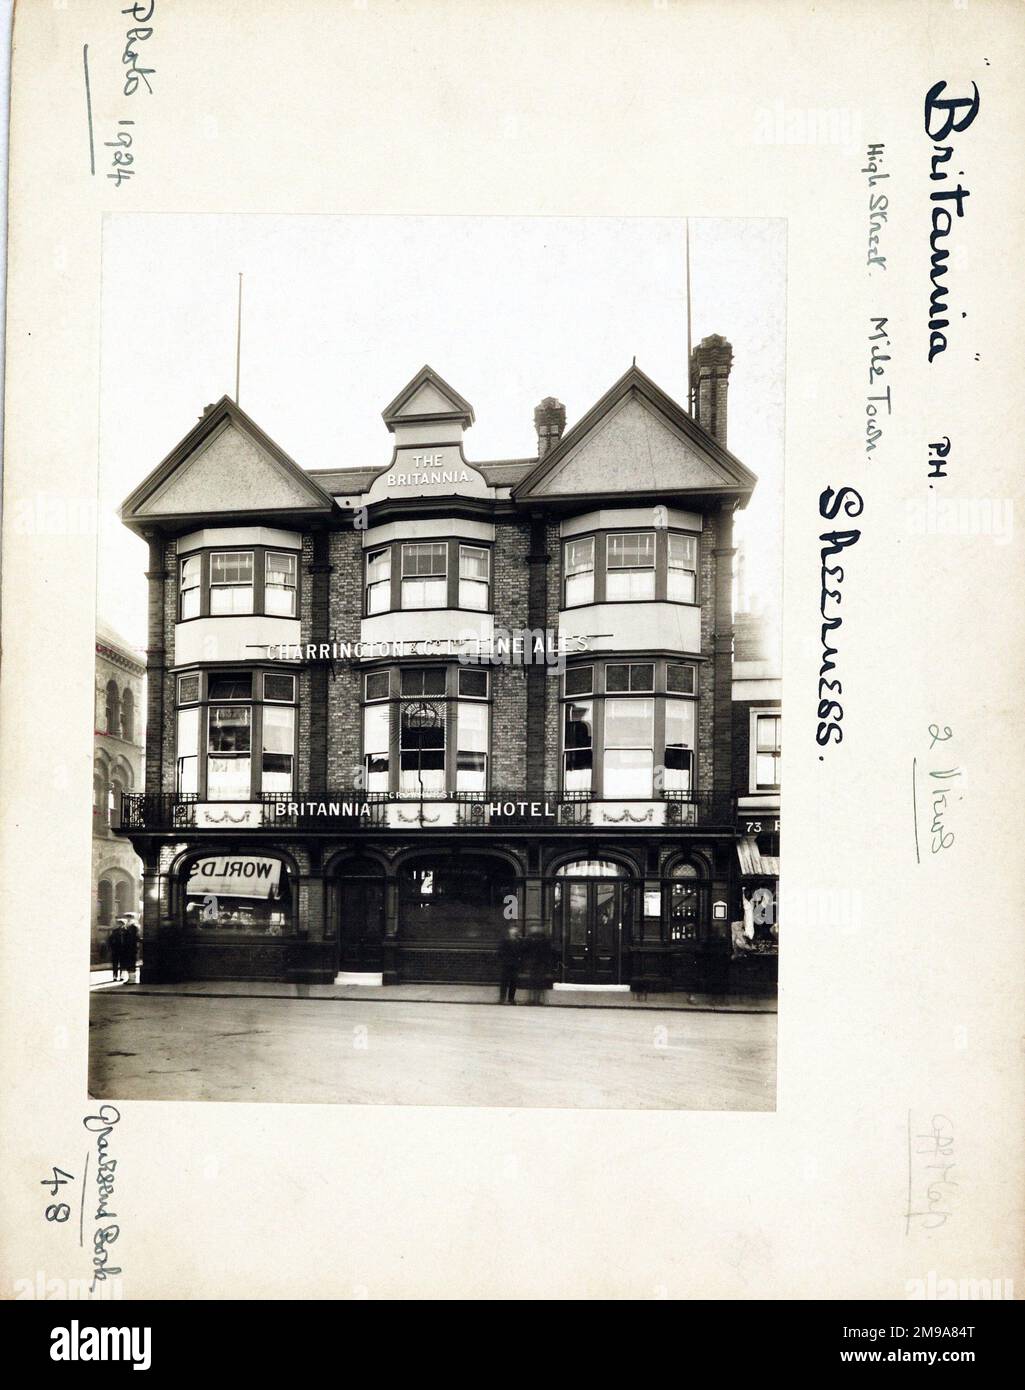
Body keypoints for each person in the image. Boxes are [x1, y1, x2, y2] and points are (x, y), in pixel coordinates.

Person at [496, 924, 522, 1004]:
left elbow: (521, 952)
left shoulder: (519, 941)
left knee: (513, 983)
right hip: (506, 964)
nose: (514, 931)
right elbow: (500, 952)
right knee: (504, 982)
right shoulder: (505, 940)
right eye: (513, 929)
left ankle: (511, 999)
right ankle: (502, 998)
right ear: (509, 930)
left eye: (516, 929)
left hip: (514, 964)